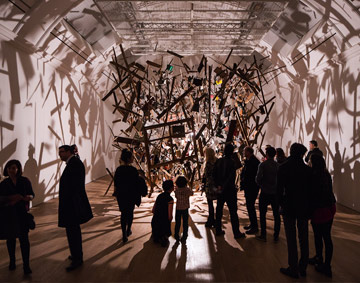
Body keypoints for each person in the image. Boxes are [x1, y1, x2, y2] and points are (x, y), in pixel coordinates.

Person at [278, 143, 312, 278]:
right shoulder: (307, 170)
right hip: (303, 207)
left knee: (291, 238)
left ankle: (293, 267)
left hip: (289, 207)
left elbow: (279, 190)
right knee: (303, 237)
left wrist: (280, 204)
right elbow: (310, 191)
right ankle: (303, 267)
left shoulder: (284, 168)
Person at [58, 145, 93, 272]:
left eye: (62, 152)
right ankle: (75, 254)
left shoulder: (74, 164)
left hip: (72, 205)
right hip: (71, 204)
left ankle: (78, 257)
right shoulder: (73, 163)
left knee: (73, 231)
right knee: (72, 231)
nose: (59, 154)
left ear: (68, 152)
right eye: (59, 152)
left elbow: (74, 186)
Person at [0, 160, 34, 274]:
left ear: (18, 169)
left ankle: (26, 265)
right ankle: (12, 262)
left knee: (24, 240)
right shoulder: (4, 184)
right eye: (9, 168)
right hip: (9, 214)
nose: (11, 170)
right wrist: (13, 198)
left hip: (22, 214)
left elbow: (31, 194)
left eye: (14, 168)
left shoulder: (25, 181)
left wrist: (27, 197)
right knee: (11, 239)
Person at [308, 154, 336, 278]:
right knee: (326, 236)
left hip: (320, 209)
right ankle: (324, 262)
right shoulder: (326, 174)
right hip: (329, 207)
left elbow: (312, 195)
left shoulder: (313, 176)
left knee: (319, 236)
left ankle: (323, 262)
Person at [213, 143, 245, 239]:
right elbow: (230, 177)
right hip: (229, 190)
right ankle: (236, 233)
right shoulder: (232, 162)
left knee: (219, 210)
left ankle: (218, 230)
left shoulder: (219, 161)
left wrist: (218, 186)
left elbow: (214, 174)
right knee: (233, 212)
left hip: (221, 190)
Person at [114, 148, 142, 243]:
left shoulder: (118, 170)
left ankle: (123, 234)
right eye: (132, 157)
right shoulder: (133, 170)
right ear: (129, 158)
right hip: (130, 195)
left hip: (122, 195)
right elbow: (136, 184)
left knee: (123, 214)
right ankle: (128, 229)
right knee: (130, 213)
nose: (133, 159)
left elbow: (116, 183)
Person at [255, 146, 281, 242]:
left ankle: (263, 235)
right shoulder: (278, 166)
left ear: (267, 154)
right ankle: (276, 236)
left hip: (265, 192)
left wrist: (262, 185)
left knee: (262, 214)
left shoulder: (263, 165)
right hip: (275, 193)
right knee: (276, 215)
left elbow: (258, 179)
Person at [240, 146, 260, 235]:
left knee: (250, 206)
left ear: (249, 152)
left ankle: (254, 226)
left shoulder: (253, 162)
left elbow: (251, 175)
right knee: (249, 206)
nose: (243, 152)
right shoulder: (249, 161)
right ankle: (252, 224)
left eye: (245, 151)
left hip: (252, 187)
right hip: (249, 187)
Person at [151, 180, 174, 247]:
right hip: (164, 223)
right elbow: (170, 216)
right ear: (171, 188)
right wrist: (170, 219)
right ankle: (163, 237)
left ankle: (156, 235)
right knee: (166, 221)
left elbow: (153, 210)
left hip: (155, 221)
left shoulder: (159, 196)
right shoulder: (170, 199)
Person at [202, 147, 218, 228]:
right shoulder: (217, 161)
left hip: (210, 185)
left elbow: (207, 175)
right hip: (217, 185)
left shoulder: (208, 164)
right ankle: (216, 220)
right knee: (218, 204)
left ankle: (211, 219)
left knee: (210, 204)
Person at [174, 176, 193, 242]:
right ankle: (184, 236)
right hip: (185, 208)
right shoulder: (187, 189)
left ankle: (176, 235)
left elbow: (176, 196)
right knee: (185, 222)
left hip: (178, 208)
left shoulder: (176, 190)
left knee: (177, 222)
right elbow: (192, 193)